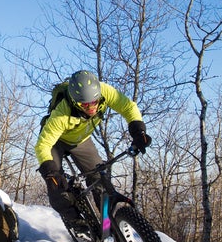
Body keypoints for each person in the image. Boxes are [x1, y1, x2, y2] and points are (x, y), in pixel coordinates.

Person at [35, 70, 151, 229]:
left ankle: (108, 222)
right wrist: (50, 171)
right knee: (57, 188)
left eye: (94, 102)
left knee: (100, 178)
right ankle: (75, 222)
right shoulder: (62, 112)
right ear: (76, 102)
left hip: (81, 140)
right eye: (85, 104)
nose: (91, 108)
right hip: (56, 142)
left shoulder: (105, 92)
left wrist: (139, 131)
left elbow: (128, 107)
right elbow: (43, 144)